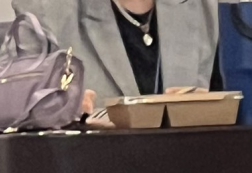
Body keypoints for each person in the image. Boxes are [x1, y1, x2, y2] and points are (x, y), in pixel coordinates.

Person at [12, 0, 220, 104]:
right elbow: (5, 101)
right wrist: (52, 109)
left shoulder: (204, 8)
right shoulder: (46, 11)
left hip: (186, 167)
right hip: (88, 166)